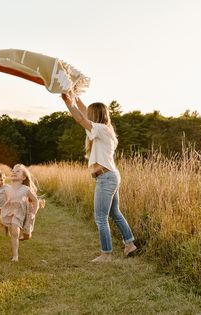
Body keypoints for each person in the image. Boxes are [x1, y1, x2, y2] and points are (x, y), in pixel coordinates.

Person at [61, 93, 137, 262]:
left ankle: (106, 254)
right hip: (110, 175)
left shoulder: (101, 129)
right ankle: (129, 244)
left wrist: (68, 103)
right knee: (115, 213)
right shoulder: (105, 130)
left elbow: (81, 119)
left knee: (100, 218)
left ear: (95, 115)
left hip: (106, 178)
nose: (87, 114)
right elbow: (83, 111)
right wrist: (74, 95)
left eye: (90, 113)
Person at [0, 164, 39, 262]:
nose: (14, 172)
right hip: (12, 212)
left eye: (17, 171)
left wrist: (33, 213)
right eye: (13, 171)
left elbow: (36, 201)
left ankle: (25, 236)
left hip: (24, 213)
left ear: (23, 177)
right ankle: (15, 256)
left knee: (27, 234)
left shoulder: (26, 189)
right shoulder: (7, 188)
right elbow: (5, 199)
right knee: (14, 232)